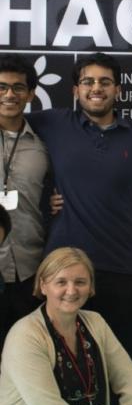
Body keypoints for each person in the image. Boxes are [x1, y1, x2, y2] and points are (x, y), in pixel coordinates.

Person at [27, 52, 132, 355]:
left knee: (116, 357)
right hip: (63, 267)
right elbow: (11, 124)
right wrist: (46, 199)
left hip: (120, 266)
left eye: (105, 82)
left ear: (118, 89)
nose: (96, 87)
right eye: (88, 81)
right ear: (75, 90)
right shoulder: (53, 123)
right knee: (61, 356)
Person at [0, 247, 132, 405]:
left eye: (80, 282)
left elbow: (131, 384)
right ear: (43, 285)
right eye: (61, 282)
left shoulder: (96, 322)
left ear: (90, 286)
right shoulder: (24, 335)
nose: (71, 291)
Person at [0, 53, 49, 348]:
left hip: (28, 270)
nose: (9, 94)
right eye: (2, 87)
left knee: (25, 354)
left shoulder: (43, 145)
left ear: (31, 94)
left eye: (18, 88)